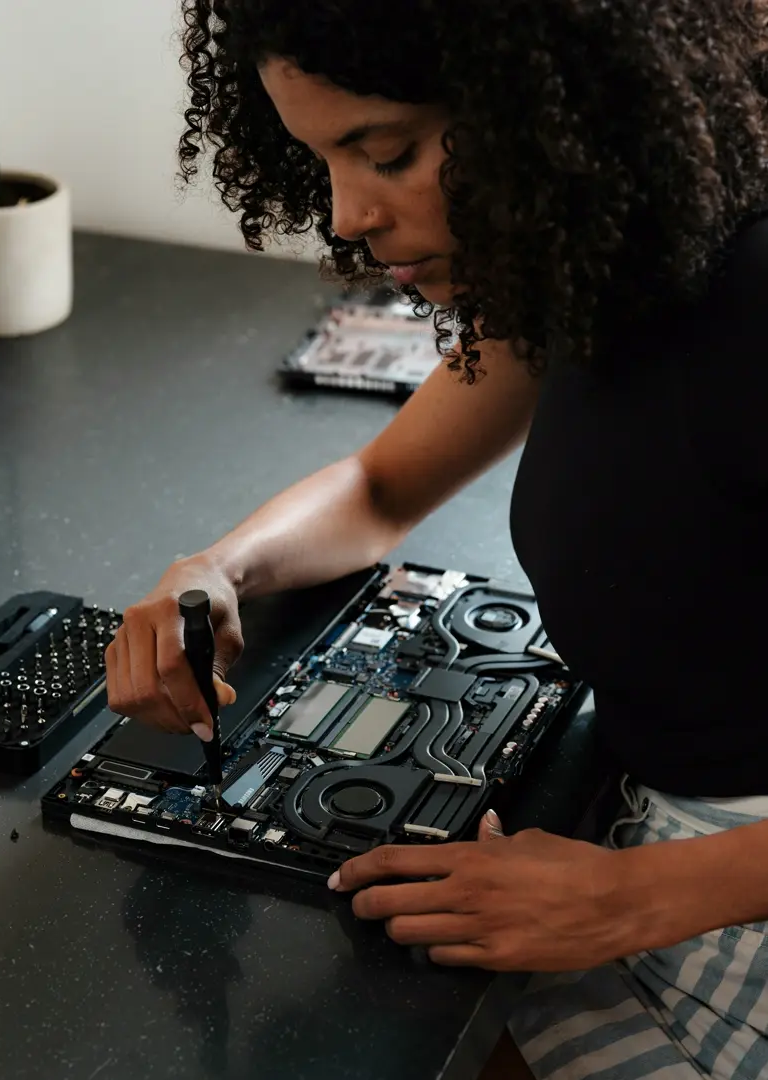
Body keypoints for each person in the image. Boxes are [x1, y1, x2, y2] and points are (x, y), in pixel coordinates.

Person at [105, 2, 768, 1077]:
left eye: (386, 152)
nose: (346, 213)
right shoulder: (597, 255)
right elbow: (378, 484)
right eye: (319, 160)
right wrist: (216, 570)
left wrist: (623, 898)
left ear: (547, 100)